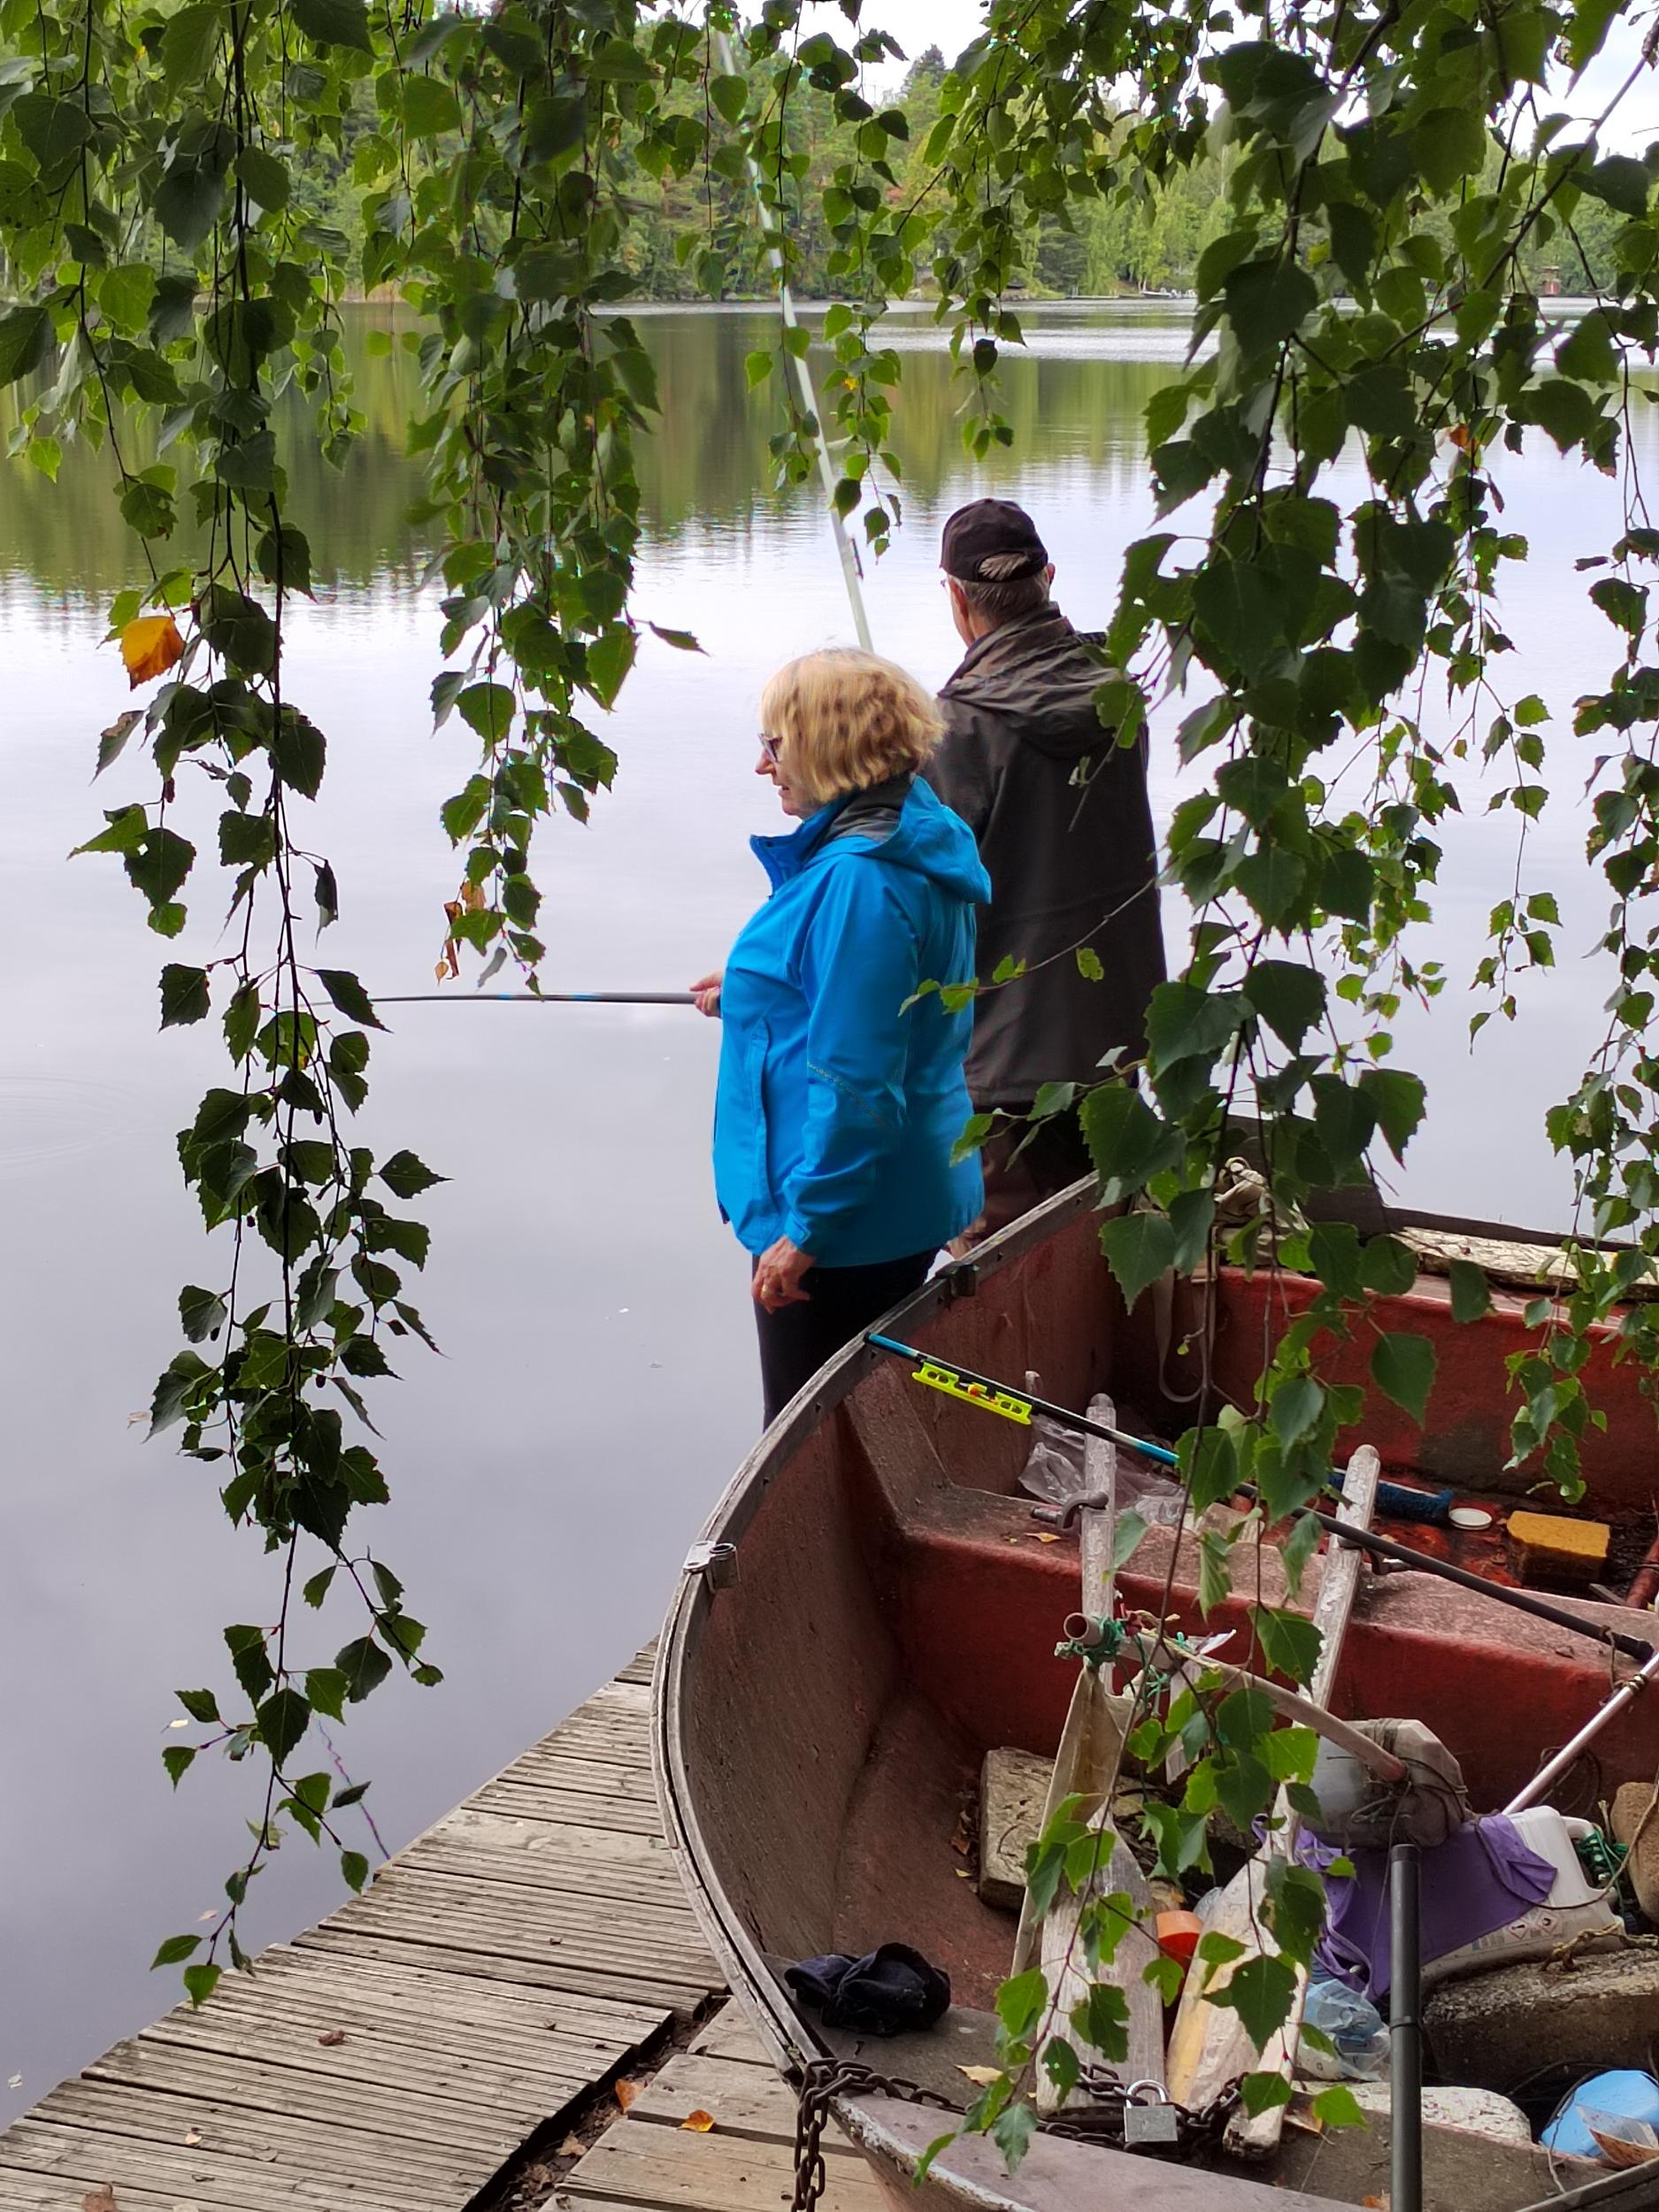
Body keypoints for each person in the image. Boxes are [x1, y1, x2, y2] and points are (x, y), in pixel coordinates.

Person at [689, 649, 990, 1426]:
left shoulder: (859, 879)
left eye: (775, 745)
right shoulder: (916, 831)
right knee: (871, 1421)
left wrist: (805, 1233)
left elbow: (857, 1082)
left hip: (844, 1224)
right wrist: (757, 993)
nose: (762, 766)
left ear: (828, 745)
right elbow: (876, 1001)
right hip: (898, 1194)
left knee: (803, 1445)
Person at [923, 497, 1166, 1239]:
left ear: (956, 597)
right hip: (1115, 1042)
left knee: (1004, 1273)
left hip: (1002, 1065)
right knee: (1107, 1251)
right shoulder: (1117, 696)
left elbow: (916, 899)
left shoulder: (958, 727)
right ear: (1047, 578)